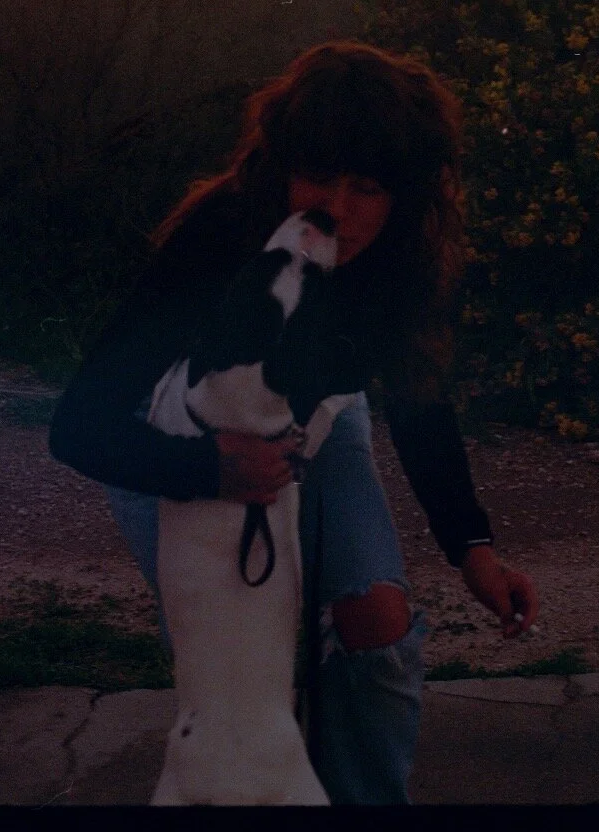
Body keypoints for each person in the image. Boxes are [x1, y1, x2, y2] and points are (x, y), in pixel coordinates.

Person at [49, 40, 538, 805]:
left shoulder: (404, 256)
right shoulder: (220, 232)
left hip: (314, 424)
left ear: (406, 192)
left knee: (376, 623)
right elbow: (80, 424)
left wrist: (472, 547)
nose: (336, 209)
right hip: (172, 439)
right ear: (281, 164)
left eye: (367, 187)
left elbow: (418, 396)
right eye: (317, 176)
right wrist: (209, 470)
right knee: (235, 692)